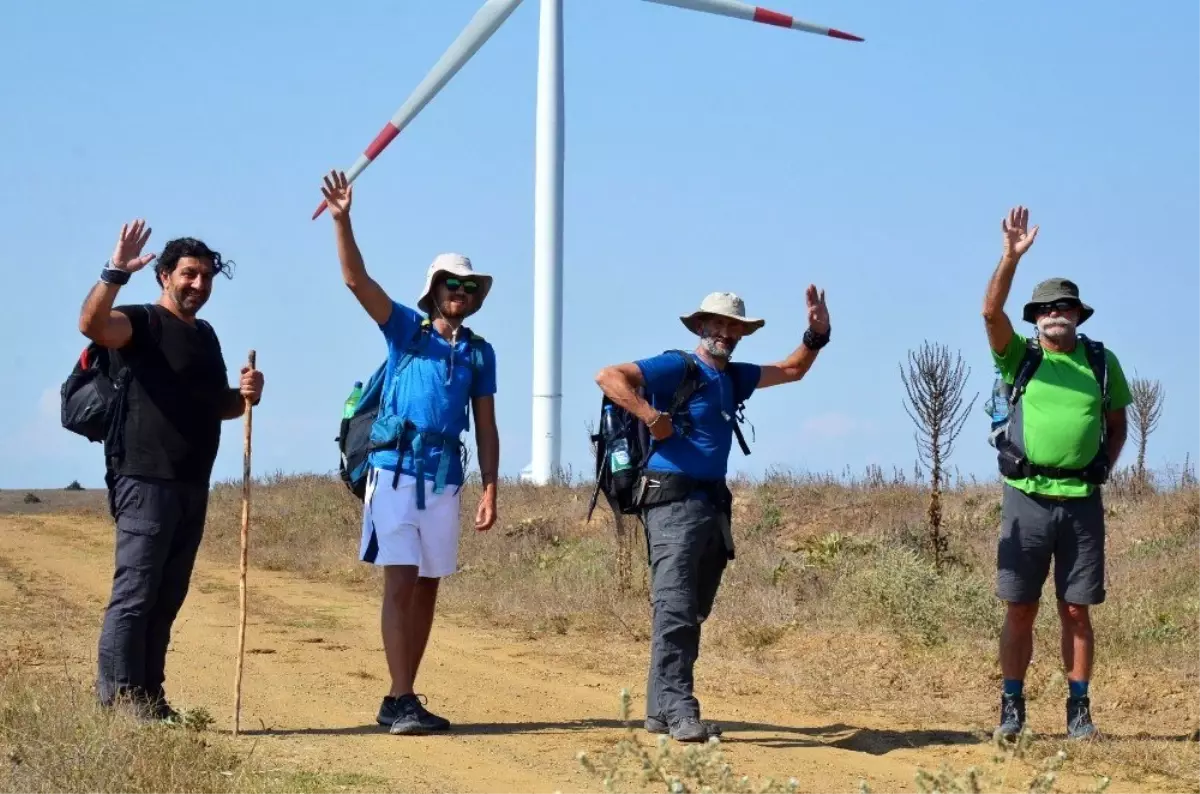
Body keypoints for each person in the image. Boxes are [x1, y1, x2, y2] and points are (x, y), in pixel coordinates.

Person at [593, 287, 831, 741]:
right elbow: (608, 376)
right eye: (717, 324)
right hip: (670, 501)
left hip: (711, 503)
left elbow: (792, 369)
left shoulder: (732, 377)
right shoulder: (678, 365)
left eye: (733, 326)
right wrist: (649, 415)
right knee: (676, 607)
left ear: (741, 332)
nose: (725, 331)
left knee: (690, 608)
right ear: (701, 327)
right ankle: (682, 711)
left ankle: (660, 711)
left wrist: (816, 334)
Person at [318, 170, 500, 735]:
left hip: (446, 478)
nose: (460, 294)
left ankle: (404, 697)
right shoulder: (405, 330)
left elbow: (486, 424)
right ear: (434, 288)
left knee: (428, 584)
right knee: (400, 578)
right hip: (394, 471)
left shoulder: (480, 352)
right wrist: (344, 220)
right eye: (452, 284)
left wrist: (491, 485)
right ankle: (399, 697)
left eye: (468, 288)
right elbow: (356, 281)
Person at [78, 219, 265, 721]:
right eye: (188, 274)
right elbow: (92, 326)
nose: (198, 285)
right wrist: (115, 270)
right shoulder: (140, 322)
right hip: (143, 478)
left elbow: (216, 405)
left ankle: (149, 697)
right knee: (136, 593)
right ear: (164, 276)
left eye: (206, 276)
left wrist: (245, 397)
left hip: (191, 483)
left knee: (167, 595)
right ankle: (118, 701)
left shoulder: (205, 335)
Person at [981, 205, 1131, 741]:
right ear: (1035, 318)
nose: (1055, 313)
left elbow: (1116, 425)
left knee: (1076, 609)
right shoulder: (1018, 357)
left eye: (1064, 306)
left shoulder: (1101, 361)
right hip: (1026, 497)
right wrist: (1009, 257)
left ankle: (1079, 711)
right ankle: (1012, 707)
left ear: (1078, 314)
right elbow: (990, 310)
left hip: (1082, 501)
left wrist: (1101, 471)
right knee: (1020, 607)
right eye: (1045, 308)